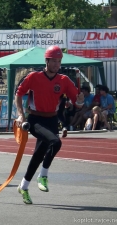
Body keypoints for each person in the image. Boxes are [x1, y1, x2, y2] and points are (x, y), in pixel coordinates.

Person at [15, 45, 84, 204]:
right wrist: (21, 115)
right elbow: (18, 94)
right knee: (56, 142)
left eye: (59, 61)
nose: (57, 64)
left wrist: (80, 102)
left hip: (52, 120)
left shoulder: (64, 80)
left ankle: (23, 186)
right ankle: (43, 175)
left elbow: (76, 103)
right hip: (35, 120)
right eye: (54, 61)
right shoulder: (34, 77)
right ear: (47, 60)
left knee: (38, 155)